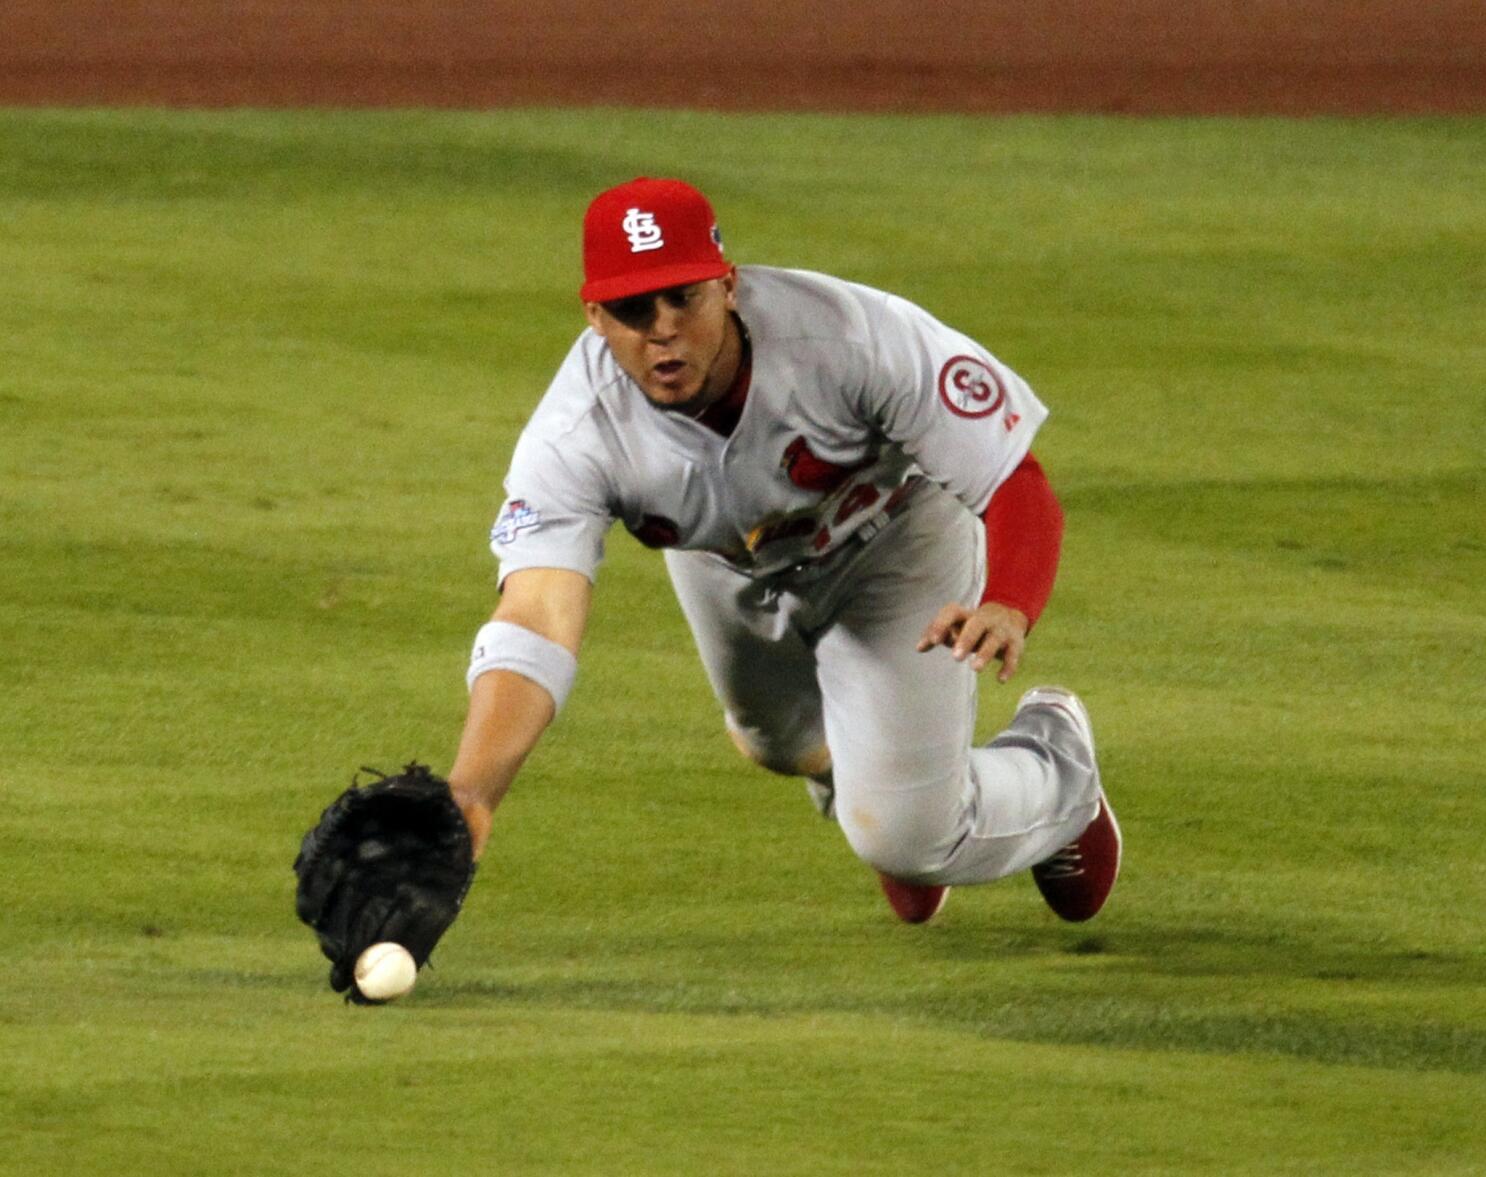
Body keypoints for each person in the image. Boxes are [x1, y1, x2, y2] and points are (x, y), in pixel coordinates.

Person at [447, 177, 1120, 926]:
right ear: (596, 316)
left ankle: (1059, 770)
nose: (663, 329)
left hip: (894, 543)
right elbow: (537, 612)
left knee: (909, 835)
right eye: (636, 308)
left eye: (684, 298)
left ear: (727, 286)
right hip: (726, 563)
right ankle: (868, 782)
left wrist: (1010, 601)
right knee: (776, 739)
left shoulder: (849, 338)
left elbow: (1013, 477)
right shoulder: (576, 432)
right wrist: (470, 793)